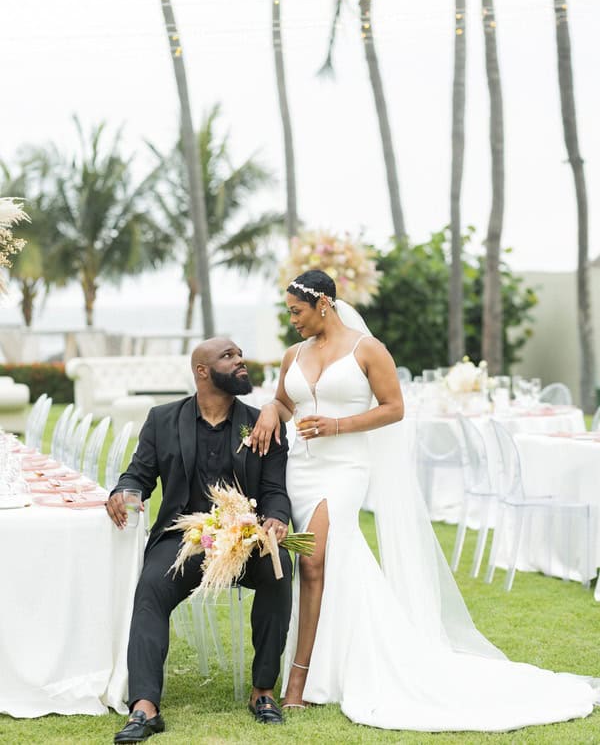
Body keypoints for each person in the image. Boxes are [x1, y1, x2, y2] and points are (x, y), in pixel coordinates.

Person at [250, 268, 598, 731]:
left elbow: (394, 408)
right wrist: (270, 410)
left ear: (324, 305)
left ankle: (298, 681)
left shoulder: (367, 349)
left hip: (345, 469)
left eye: (297, 311)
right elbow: (284, 403)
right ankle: (337, 661)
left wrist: (338, 425)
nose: (292, 320)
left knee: (312, 563)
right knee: (332, 564)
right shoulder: (293, 355)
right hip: (301, 469)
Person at [106, 338, 293, 743]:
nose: (240, 360)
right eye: (229, 356)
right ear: (202, 371)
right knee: (150, 588)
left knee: (278, 571)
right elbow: (139, 474)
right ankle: (144, 707)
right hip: (183, 539)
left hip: (245, 540)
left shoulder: (261, 424)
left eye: (240, 354)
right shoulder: (162, 420)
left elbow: (275, 490)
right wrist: (123, 491)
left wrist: (277, 518)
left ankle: (263, 691)